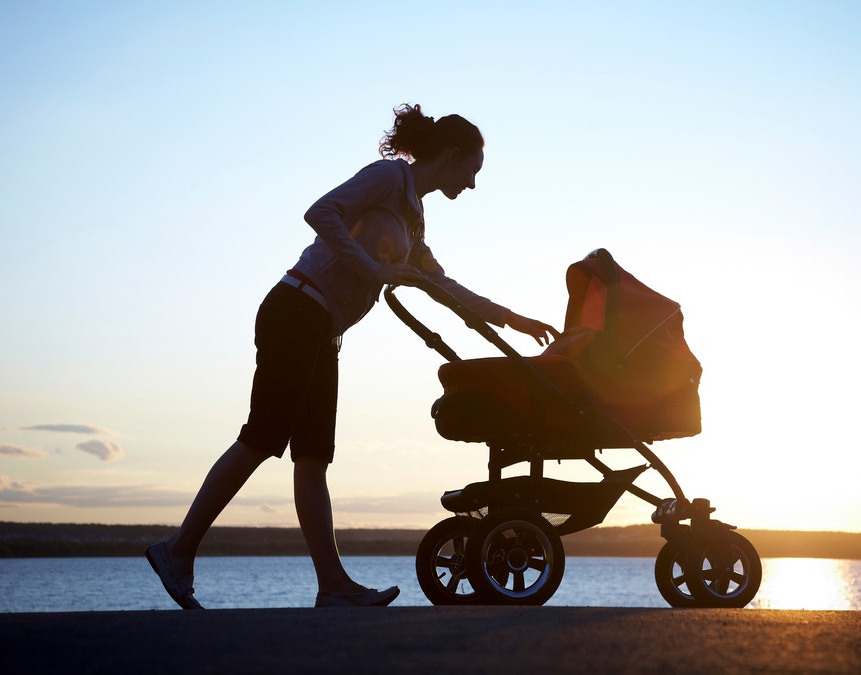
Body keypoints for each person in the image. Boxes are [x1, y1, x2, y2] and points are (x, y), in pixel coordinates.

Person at [146, 103, 559, 609]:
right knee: (262, 438)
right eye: (471, 171)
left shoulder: (413, 221)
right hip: (295, 308)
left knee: (313, 457)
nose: (471, 185)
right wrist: (373, 270)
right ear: (451, 156)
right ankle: (177, 549)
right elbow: (320, 212)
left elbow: (441, 284)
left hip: (323, 329)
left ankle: (332, 585)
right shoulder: (388, 178)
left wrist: (512, 318)